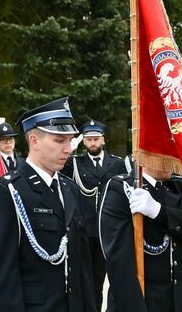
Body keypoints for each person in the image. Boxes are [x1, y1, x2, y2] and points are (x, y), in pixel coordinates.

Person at [0, 97, 96, 312]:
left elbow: (83, 267)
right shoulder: (8, 191)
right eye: (59, 141)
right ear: (34, 140)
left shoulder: (69, 188)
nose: (69, 149)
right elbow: (0, 274)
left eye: (70, 141)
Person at [99, 167, 182, 311]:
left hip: (176, 301)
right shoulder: (120, 188)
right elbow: (119, 264)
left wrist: (158, 211)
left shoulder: (180, 187)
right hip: (139, 301)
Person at [61, 119, 126, 311]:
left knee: (113, 277)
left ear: (103, 140)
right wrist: (68, 152)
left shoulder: (116, 164)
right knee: (87, 280)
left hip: (109, 230)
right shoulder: (74, 163)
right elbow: (60, 175)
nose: (92, 143)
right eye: (88, 140)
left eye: (96, 139)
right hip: (86, 230)